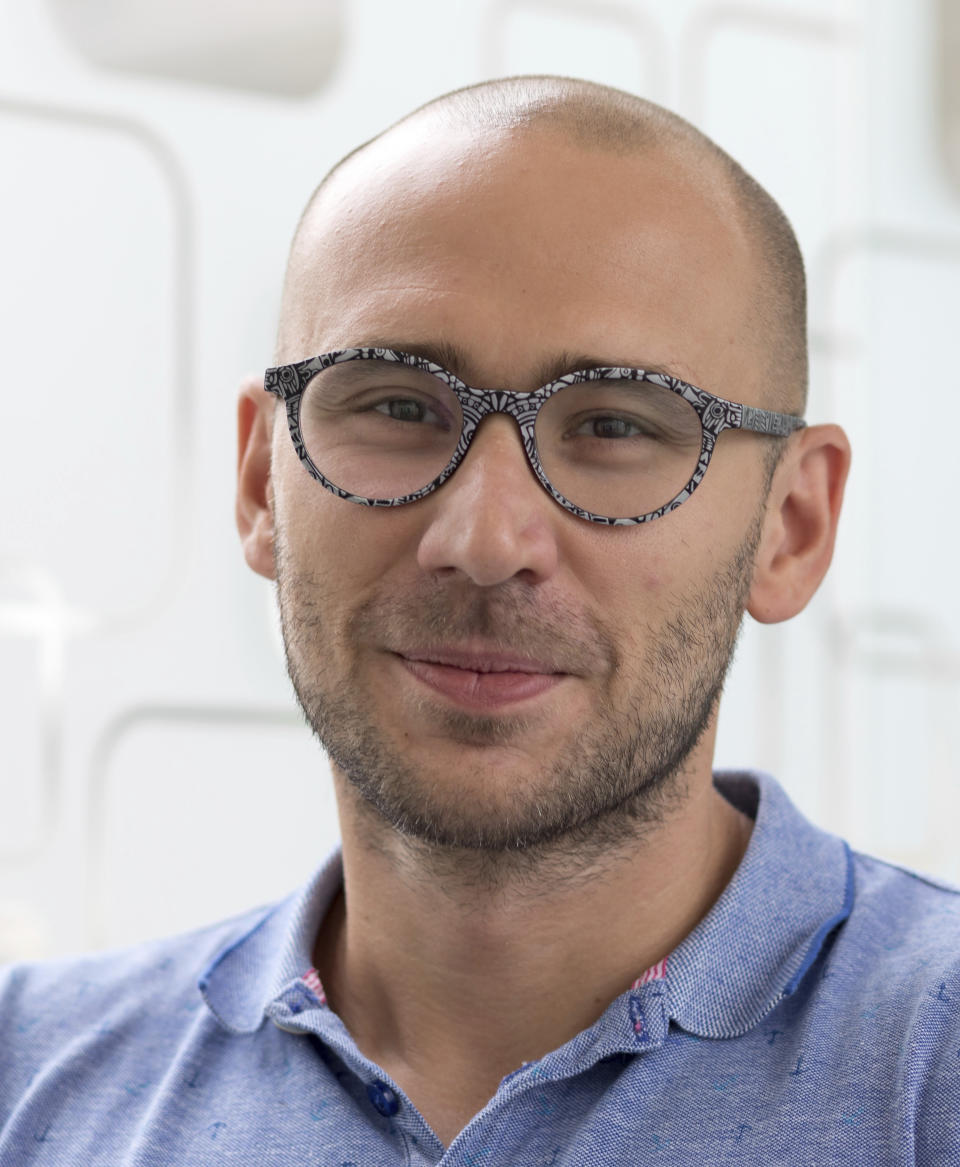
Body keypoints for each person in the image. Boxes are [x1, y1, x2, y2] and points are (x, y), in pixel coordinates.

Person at [1, 75, 958, 1165]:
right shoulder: (28, 1078)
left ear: (791, 525)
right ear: (264, 481)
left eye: (613, 423)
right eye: (400, 407)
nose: (487, 539)